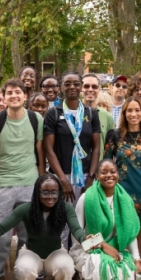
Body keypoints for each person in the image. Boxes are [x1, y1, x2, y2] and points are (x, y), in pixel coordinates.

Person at [0, 174, 84, 280]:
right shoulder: (26, 209)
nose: (50, 197)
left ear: (59, 193)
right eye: (45, 192)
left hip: (55, 252)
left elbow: (76, 229)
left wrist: (87, 240)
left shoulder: (65, 208)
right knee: (23, 268)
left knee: (66, 266)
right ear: (37, 192)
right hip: (32, 252)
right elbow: (2, 228)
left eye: (54, 192)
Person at [0, 78, 45, 280]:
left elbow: (40, 152)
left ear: (25, 96)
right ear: (4, 96)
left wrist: (41, 182)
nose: (14, 96)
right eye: (9, 93)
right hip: (3, 184)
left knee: (30, 234)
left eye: (18, 92)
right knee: (0, 235)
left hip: (30, 183)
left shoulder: (36, 119)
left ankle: (25, 277)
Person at [72, 160, 141, 280]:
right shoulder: (86, 198)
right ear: (97, 176)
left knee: (126, 265)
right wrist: (103, 245)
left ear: (118, 174)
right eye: (104, 172)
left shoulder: (125, 199)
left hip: (116, 246)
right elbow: (76, 236)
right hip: (87, 247)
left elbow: (129, 234)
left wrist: (137, 260)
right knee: (100, 262)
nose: (109, 175)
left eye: (112, 171)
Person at [104, 97, 141, 266]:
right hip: (121, 190)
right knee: (120, 230)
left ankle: (140, 270)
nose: (133, 114)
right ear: (124, 113)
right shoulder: (114, 135)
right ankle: (121, 269)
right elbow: (106, 164)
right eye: (129, 110)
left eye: (137, 110)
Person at [43, 71, 101, 203]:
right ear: (61, 87)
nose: (72, 87)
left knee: (83, 219)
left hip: (85, 175)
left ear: (81, 86)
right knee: (62, 218)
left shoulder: (91, 113)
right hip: (61, 175)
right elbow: (48, 150)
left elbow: (96, 148)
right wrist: (63, 180)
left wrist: (91, 177)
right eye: (67, 84)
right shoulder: (53, 114)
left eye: (76, 84)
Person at [82, 73, 114, 155]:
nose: (90, 89)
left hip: (100, 166)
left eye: (94, 87)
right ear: (80, 89)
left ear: (99, 89)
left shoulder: (107, 117)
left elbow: (110, 147)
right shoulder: (72, 113)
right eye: (86, 86)